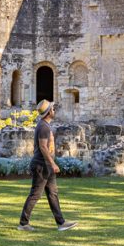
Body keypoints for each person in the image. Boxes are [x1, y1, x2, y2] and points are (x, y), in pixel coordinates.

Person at [18, 99, 78, 232]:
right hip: (42, 165)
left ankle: (61, 223)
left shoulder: (44, 125)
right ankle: (23, 224)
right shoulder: (44, 126)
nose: (54, 110)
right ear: (49, 112)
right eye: (53, 108)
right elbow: (43, 147)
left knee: (53, 193)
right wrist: (53, 163)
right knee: (35, 194)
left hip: (46, 166)